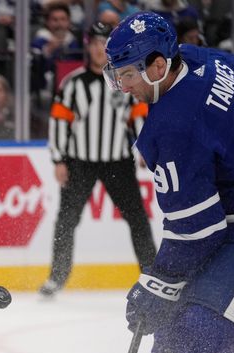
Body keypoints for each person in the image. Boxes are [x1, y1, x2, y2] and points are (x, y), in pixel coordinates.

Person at [101, 11, 234, 353]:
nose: (121, 84)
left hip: (226, 225)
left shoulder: (171, 127)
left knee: (206, 325)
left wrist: (155, 283)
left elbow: (197, 229)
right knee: (182, 322)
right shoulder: (204, 59)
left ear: (158, 66)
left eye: (128, 73)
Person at [39, 22, 156, 297]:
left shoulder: (125, 78)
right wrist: (58, 160)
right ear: (87, 47)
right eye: (93, 43)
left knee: (137, 219)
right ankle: (57, 277)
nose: (97, 49)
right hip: (80, 161)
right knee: (66, 220)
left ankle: (152, 276)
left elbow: (138, 115)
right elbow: (58, 122)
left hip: (117, 161)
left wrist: (143, 149)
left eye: (103, 44)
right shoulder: (73, 83)